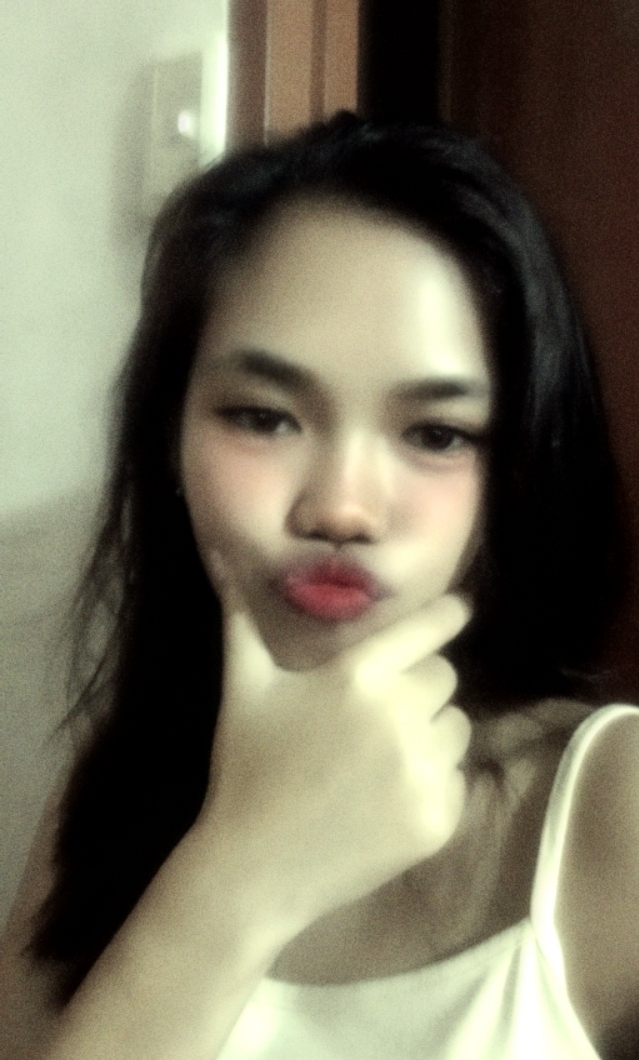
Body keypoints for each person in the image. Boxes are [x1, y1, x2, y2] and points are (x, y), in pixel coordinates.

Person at [0, 112, 637, 1060]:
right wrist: (240, 875)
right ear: (170, 438)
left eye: (436, 434)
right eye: (263, 417)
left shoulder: (613, 803)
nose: (341, 507)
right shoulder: (109, 801)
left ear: (513, 472)